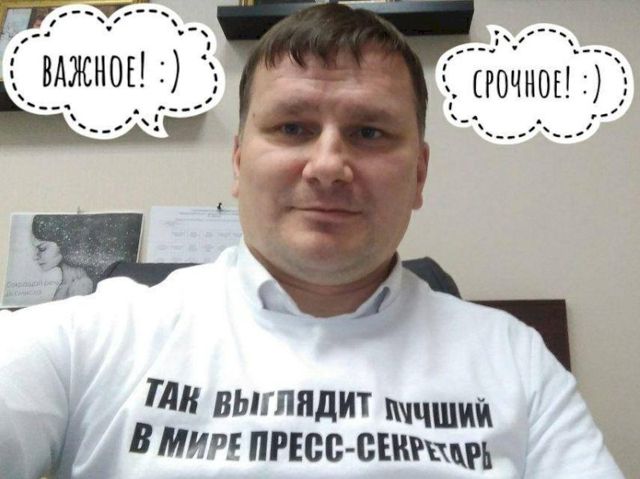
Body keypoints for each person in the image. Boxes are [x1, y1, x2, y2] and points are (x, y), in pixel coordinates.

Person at [0, 4, 623, 478]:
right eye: (293, 127)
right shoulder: (90, 337)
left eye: (370, 132)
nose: (327, 165)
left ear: (419, 175)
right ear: (239, 162)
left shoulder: (515, 360)